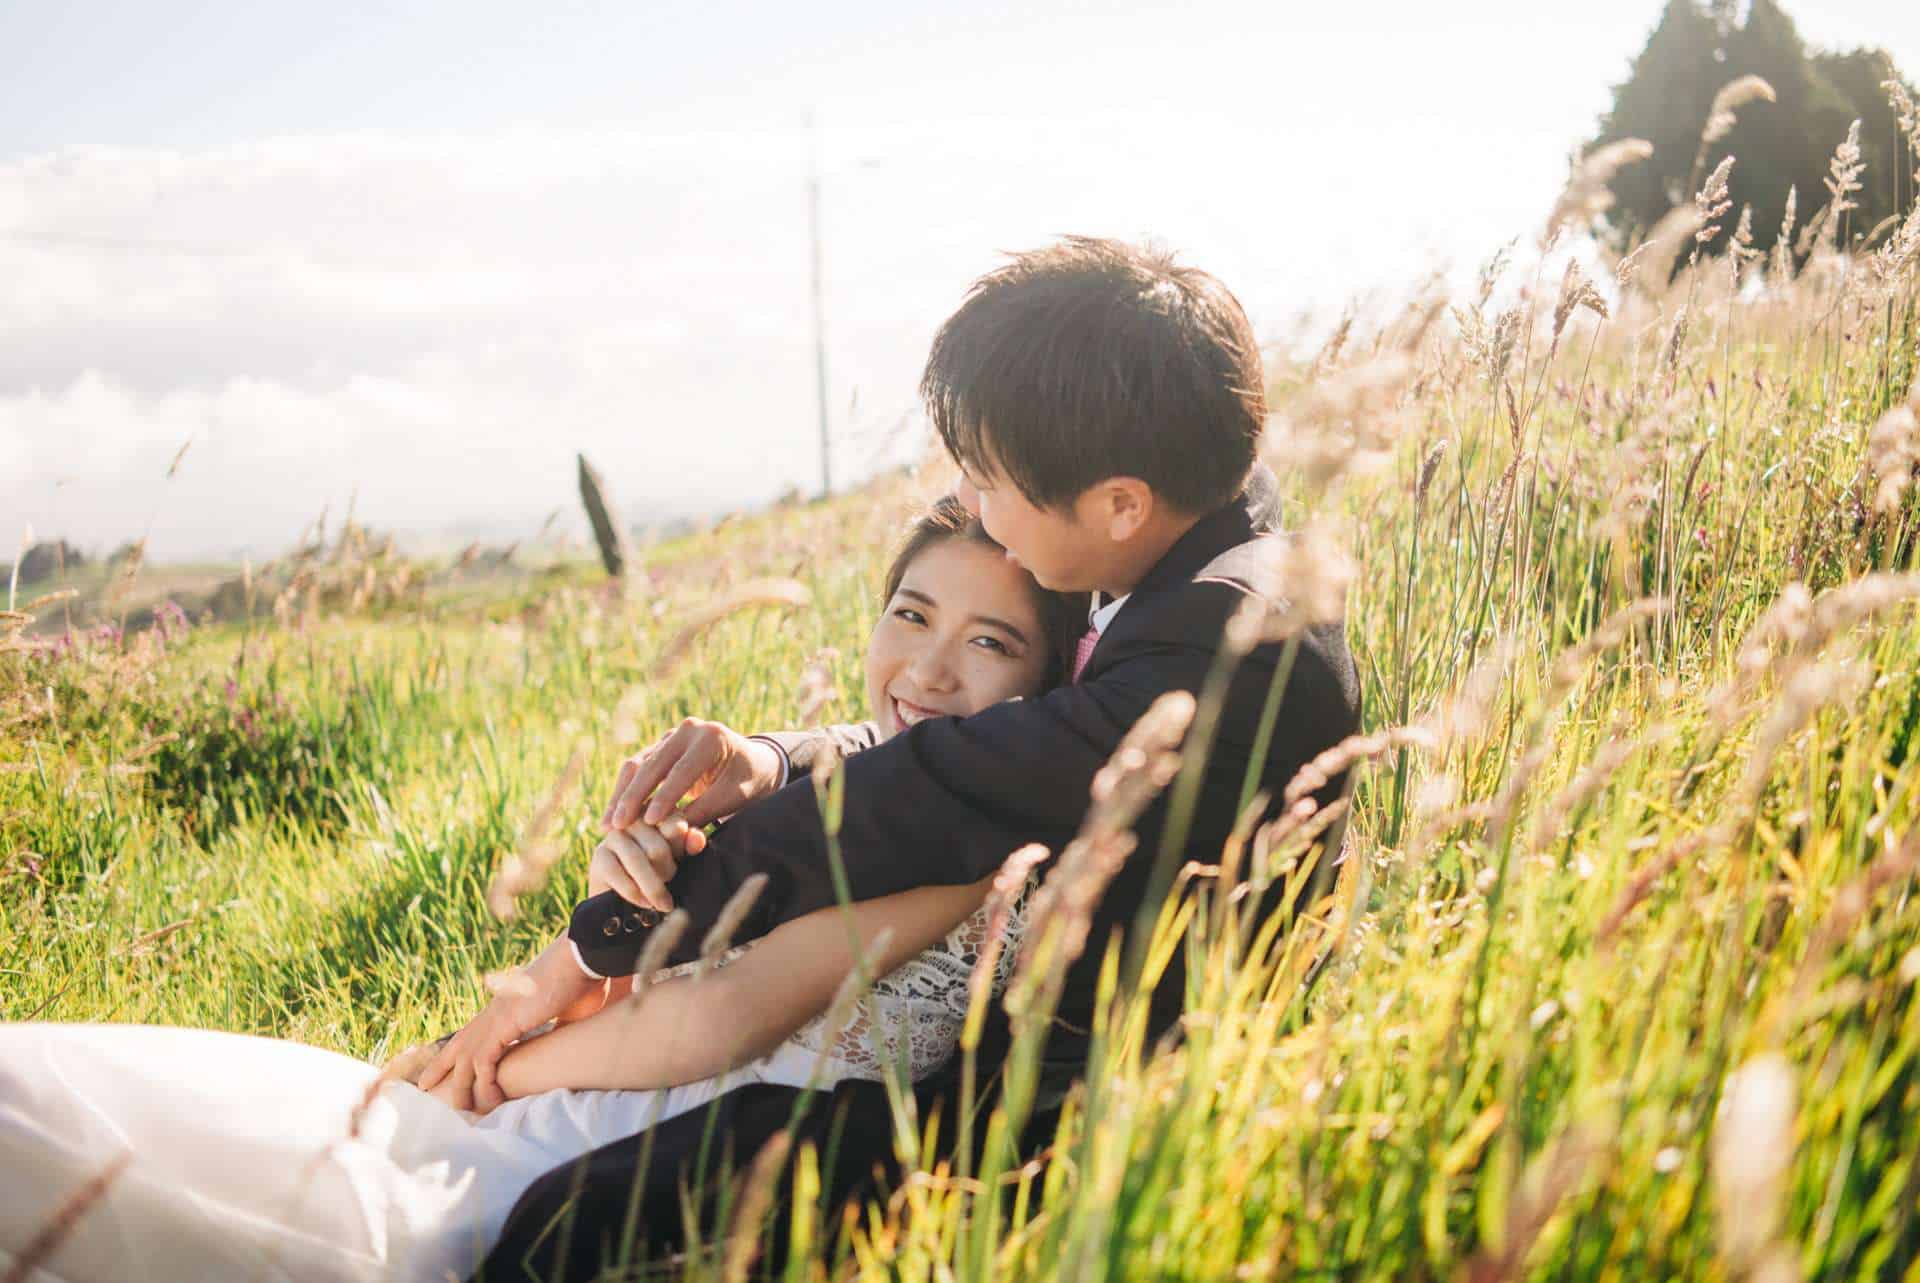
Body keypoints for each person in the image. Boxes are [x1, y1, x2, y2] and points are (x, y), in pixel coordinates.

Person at [465, 237, 1363, 1282]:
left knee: (576, 1223)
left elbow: (929, 793)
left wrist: (589, 949)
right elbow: (973, 747)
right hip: (987, 1052)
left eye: (991, 481)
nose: (975, 507)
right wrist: (773, 759)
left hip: (1068, 1111)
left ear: (1120, 504)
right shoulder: (1192, 507)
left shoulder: (1221, 644)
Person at [0, 498, 1087, 1283]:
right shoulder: (858, 777)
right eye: (911, 613)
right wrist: (603, 931)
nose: (928, 668)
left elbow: (721, 1019)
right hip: (592, 1103)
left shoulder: (974, 855)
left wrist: (486, 1071)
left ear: (1047, 692)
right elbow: (673, 980)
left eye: (989, 642)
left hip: (628, 1155)